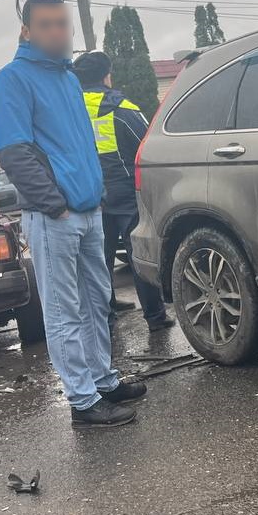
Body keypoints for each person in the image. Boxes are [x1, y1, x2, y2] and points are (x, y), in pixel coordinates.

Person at [0, 0, 145, 427]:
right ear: (27, 30)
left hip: (90, 210)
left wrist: (92, 196)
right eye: (46, 24)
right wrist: (54, 204)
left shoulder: (67, 79)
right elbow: (14, 150)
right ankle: (82, 401)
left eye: (63, 24)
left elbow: (79, 145)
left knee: (98, 300)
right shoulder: (14, 79)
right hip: (53, 217)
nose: (57, 32)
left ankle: (103, 379)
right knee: (63, 310)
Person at [72, 50, 175, 333]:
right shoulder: (121, 106)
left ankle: (105, 314)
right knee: (136, 254)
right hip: (125, 193)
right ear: (107, 76)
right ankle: (155, 317)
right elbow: (147, 144)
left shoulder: (68, 110)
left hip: (88, 195)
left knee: (96, 258)